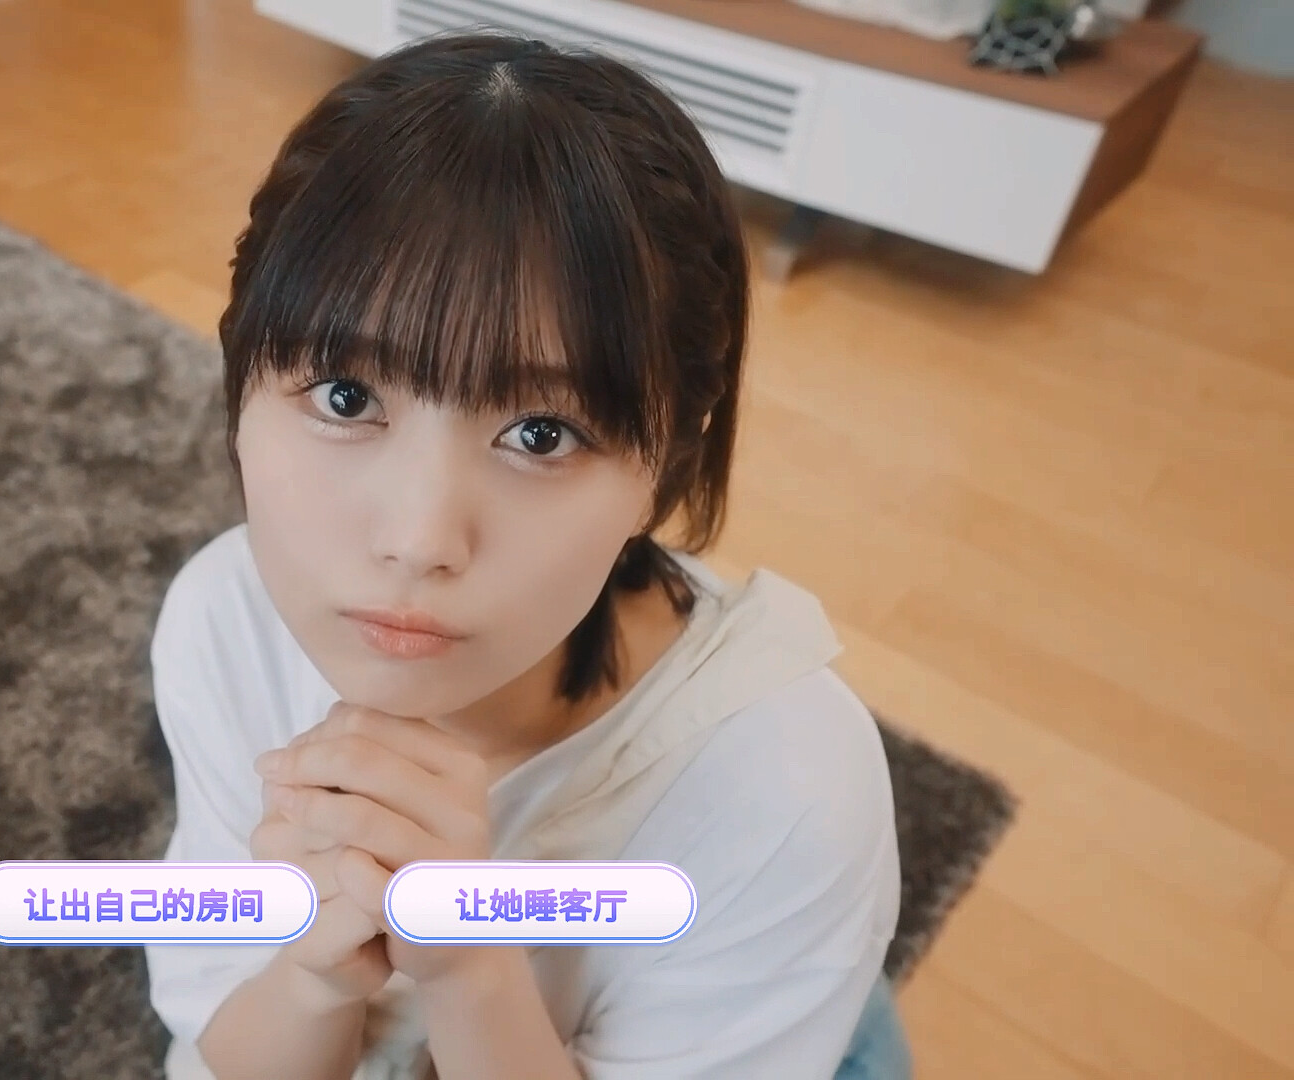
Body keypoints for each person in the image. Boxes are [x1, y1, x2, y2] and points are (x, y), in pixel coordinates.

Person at [143, 29, 909, 1080]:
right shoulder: (223, 620)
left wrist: (469, 966)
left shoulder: (788, 793)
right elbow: (231, 1041)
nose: (417, 540)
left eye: (541, 434)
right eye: (346, 397)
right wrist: (314, 976)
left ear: (667, 465)